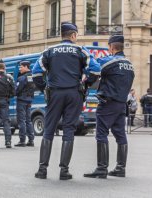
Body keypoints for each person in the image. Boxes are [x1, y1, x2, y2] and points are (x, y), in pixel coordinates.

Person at [32, 22, 101, 180]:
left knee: (48, 129)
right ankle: (64, 171)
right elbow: (96, 70)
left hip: (55, 93)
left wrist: (45, 87)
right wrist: (86, 83)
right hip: (73, 94)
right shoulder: (80, 50)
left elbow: (36, 73)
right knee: (69, 130)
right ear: (73, 35)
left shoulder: (49, 51)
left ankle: (42, 170)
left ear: (61, 35)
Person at [84, 35, 135, 179]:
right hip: (121, 103)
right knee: (120, 135)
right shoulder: (129, 64)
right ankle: (120, 168)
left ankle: (101, 168)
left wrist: (87, 54)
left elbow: (94, 67)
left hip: (108, 103)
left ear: (112, 47)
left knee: (101, 133)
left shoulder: (110, 61)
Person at [14, 61, 35, 147]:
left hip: (22, 100)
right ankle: (31, 140)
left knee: (21, 120)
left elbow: (17, 89)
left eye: (21, 67)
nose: (20, 69)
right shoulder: (32, 76)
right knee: (28, 120)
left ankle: (22, 140)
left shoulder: (22, 78)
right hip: (29, 100)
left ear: (26, 67)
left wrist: (13, 92)